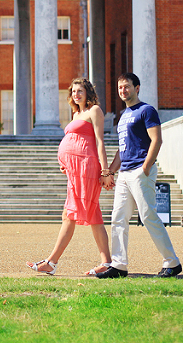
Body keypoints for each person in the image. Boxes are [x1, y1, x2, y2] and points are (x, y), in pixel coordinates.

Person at [96, 72, 182, 279]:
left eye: (126, 86)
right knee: (118, 218)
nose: (123, 90)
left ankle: (172, 262)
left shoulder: (146, 110)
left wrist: (146, 167)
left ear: (137, 88)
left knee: (148, 215)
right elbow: (121, 149)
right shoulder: (123, 116)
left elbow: (156, 140)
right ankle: (119, 265)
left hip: (140, 171)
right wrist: (110, 172)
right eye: (120, 87)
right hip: (124, 173)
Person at [26, 78, 112, 276]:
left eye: (80, 90)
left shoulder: (94, 111)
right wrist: (66, 162)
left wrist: (105, 171)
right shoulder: (76, 114)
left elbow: (99, 141)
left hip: (87, 167)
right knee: (93, 215)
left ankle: (52, 262)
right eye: (73, 91)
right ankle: (106, 262)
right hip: (75, 171)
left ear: (88, 92)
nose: (76, 94)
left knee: (69, 215)